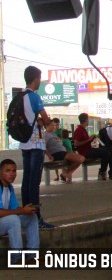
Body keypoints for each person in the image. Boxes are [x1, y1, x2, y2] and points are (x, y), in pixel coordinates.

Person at [18, 66, 54, 229]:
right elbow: (46, 120)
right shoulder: (34, 97)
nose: (40, 81)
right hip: (36, 143)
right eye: (40, 78)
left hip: (24, 143)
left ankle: (26, 214)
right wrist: (46, 121)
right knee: (34, 182)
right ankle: (36, 218)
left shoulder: (20, 95)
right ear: (35, 79)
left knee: (26, 179)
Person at [0, 159, 39, 264]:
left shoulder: (9, 187)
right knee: (13, 220)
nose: (12, 174)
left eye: (14, 171)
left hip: (3, 222)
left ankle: (33, 255)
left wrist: (26, 210)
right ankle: (16, 258)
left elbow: (14, 209)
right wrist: (22, 210)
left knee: (32, 217)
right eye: (8, 171)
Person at [74, 113, 112, 180]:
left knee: (108, 152)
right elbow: (76, 144)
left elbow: (85, 142)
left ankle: (109, 172)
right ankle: (104, 172)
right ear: (85, 120)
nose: (89, 121)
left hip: (88, 149)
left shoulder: (83, 129)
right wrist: (89, 139)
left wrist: (91, 139)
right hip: (85, 152)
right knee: (106, 152)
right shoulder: (79, 130)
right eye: (88, 119)